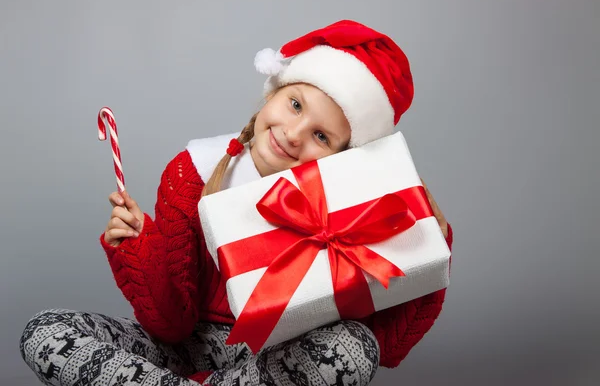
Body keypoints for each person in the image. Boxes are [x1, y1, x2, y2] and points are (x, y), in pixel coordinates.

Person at [20, 20, 454, 386]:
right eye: (295, 104)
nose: (294, 133)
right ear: (272, 95)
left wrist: (423, 240)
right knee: (46, 332)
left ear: (344, 155)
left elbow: (389, 347)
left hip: (276, 363)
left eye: (322, 136)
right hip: (186, 350)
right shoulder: (191, 173)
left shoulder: (356, 211)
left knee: (354, 348)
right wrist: (139, 247)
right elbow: (170, 324)